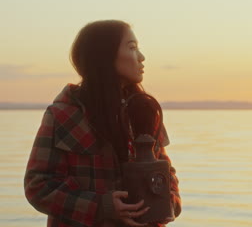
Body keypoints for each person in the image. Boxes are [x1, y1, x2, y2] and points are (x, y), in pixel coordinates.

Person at [24, 20, 181, 227]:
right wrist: (102, 206)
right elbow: (38, 186)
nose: (141, 57)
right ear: (104, 55)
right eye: (132, 48)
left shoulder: (145, 112)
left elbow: (168, 176)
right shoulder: (63, 114)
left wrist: (165, 205)